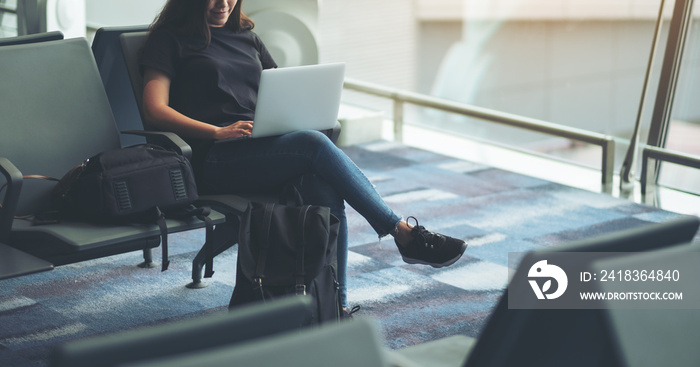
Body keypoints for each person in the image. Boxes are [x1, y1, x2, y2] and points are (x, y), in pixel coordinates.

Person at [140, 0, 468, 315]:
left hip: (264, 149)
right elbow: (154, 110)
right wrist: (216, 131)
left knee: (323, 186)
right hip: (215, 157)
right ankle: (402, 233)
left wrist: (305, 112)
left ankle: (334, 306)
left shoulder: (247, 37)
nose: (223, 3)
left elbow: (283, 91)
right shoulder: (170, 39)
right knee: (312, 146)